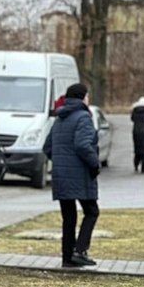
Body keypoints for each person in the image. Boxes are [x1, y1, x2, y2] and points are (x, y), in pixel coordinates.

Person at [44, 83, 100, 268]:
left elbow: (48, 147)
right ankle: (80, 250)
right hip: (80, 174)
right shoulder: (83, 117)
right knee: (92, 211)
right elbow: (83, 145)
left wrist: (61, 162)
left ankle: (67, 258)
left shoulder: (60, 118)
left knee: (69, 217)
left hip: (61, 175)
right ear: (83, 97)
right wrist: (95, 164)